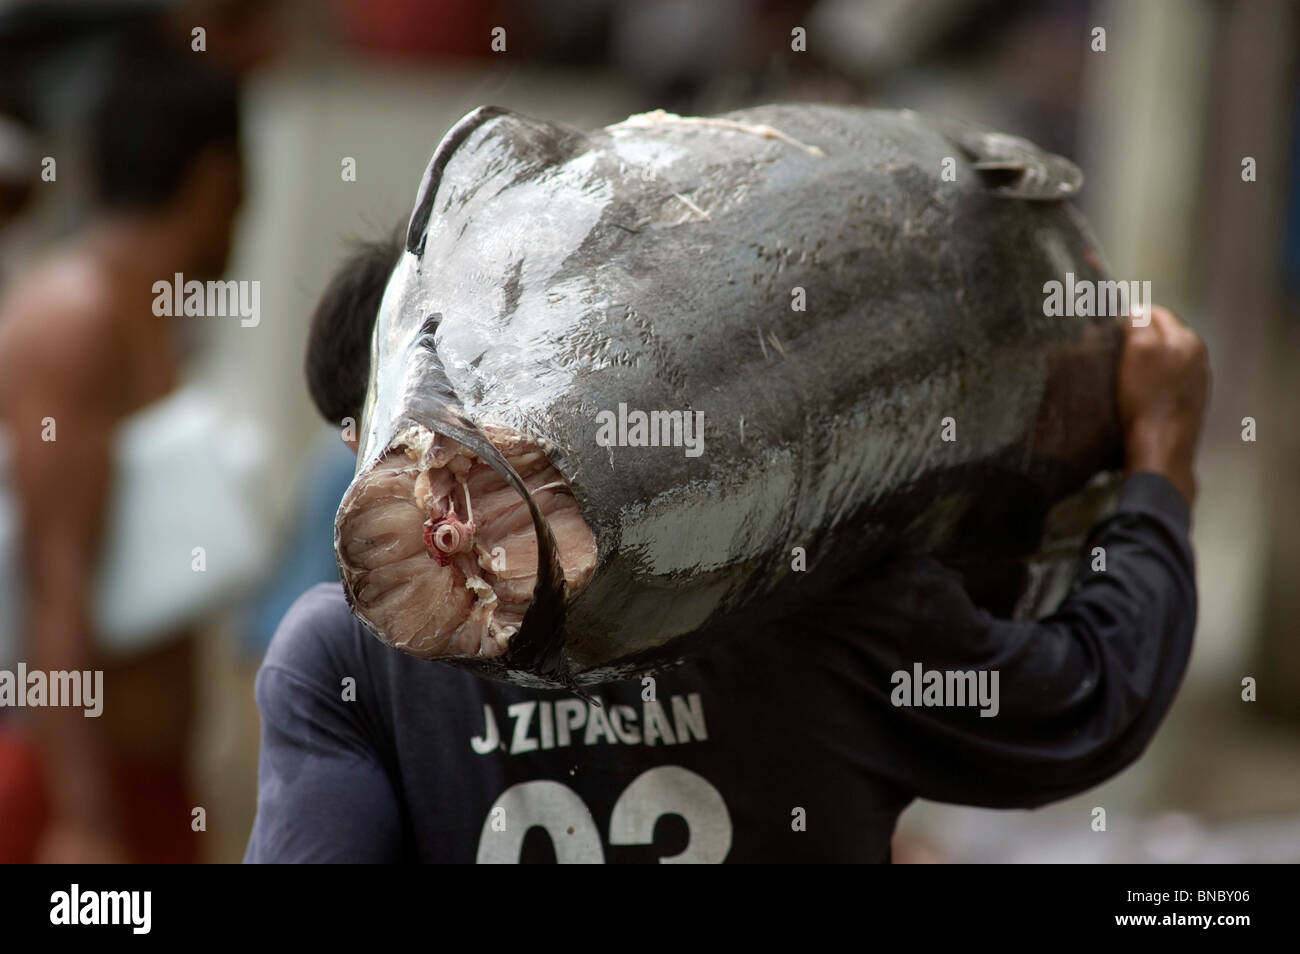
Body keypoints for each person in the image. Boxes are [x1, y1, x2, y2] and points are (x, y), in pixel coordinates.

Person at [245, 236, 1208, 862]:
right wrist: (1161, 455)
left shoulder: (344, 662)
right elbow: (1092, 695)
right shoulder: (817, 584)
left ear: (361, 453)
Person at [0, 48, 243, 863]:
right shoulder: (77, 320)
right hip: (71, 790)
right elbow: (53, 574)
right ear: (219, 181)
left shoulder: (151, 323)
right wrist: (84, 822)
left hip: (145, 785)